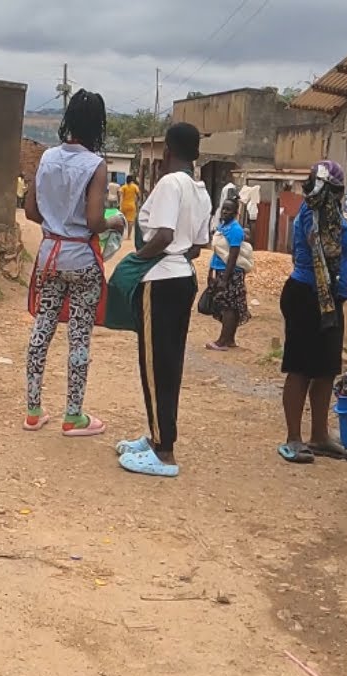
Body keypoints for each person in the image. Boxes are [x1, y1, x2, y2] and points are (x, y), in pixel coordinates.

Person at [22, 90, 125, 437]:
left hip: (49, 256)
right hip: (81, 260)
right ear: (98, 125)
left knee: (42, 330)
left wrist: (57, 223)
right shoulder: (95, 165)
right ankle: (73, 416)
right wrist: (116, 222)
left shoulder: (47, 159)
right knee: (78, 337)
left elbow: (32, 212)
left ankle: (33, 410)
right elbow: (96, 220)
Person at [114, 122, 212, 478]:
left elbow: (164, 235)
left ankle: (164, 452)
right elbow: (198, 247)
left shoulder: (170, 183)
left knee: (155, 365)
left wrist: (137, 259)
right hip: (183, 278)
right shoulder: (201, 190)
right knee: (169, 364)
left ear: (167, 153)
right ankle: (158, 436)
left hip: (161, 278)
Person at [277, 161, 347, 464]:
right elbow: (324, 250)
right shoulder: (314, 216)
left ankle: (320, 435)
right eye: (337, 190)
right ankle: (294, 438)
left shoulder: (331, 215)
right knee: (300, 368)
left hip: (329, 301)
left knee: (326, 370)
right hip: (306, 296)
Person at [206, 197, 251, 351]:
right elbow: (217, 253)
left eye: (229, 209)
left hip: (231, 273)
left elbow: (233, 256)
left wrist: (225, 278)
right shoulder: (223, 227)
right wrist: (211, 272)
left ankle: (222, 341)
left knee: (229, 307)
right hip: (221, 270)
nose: (225, 212)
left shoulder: (235, 230)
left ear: (236, 212)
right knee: (227, 306)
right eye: (223, 208)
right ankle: (229, 340)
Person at [120, 174, 142, 242]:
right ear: (132, 180)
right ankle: (129, 236)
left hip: (124, 205)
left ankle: (121, 235)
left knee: (122, 220)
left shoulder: (123, 187)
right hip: (132, 205)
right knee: (130, 221)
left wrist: (120, 204)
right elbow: (139, 195)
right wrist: (137, 201)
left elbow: (121, 196)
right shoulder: (135, 187)